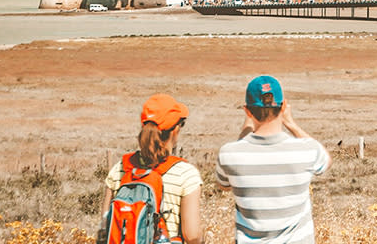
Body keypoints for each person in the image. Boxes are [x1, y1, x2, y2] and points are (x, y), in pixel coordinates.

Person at [215, 76, 331, 244]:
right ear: (283, 107)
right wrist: (291, 124)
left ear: (247, 111)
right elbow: (326, 161)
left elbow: (223, 185)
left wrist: (247, 128)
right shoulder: (306, 150)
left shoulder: (229, 154)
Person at [101, 94, 204, 244]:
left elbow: (105, 226)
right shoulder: (186, 174)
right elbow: (192, 235)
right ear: (175, 130)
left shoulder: (121, 168)